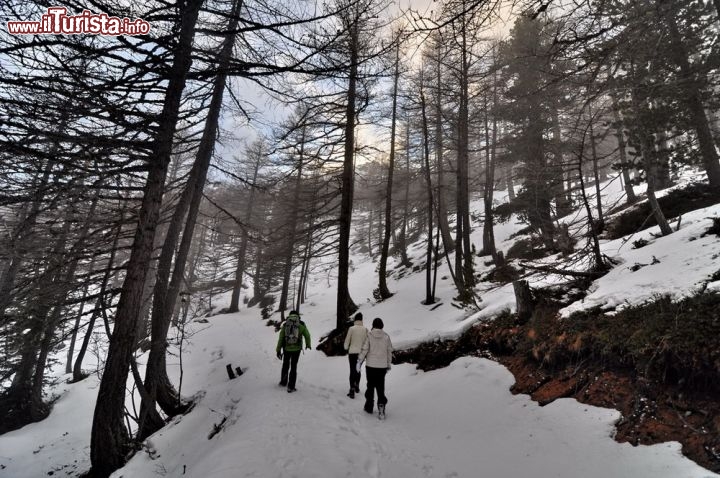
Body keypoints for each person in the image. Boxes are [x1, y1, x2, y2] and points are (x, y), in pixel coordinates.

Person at [358, 318, 393, 415]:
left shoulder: (369, 335)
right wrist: (388, 364)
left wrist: (359, 361)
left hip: (370, 366)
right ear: (382, 325)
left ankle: (369, 406)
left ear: (373, 325)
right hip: (382, 367)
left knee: (370, 386)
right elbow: (389, 351)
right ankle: (381, 405)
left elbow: (364, 349)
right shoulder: (386, 336)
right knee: (380, 387)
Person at [276, 310, 311, 393]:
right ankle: (291, 387)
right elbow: (307, 335)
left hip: (286, 349)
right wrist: (308, 344)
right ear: (297, 316)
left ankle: (283, 382)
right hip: (297, 349)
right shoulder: (301, 324)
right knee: (293, 366)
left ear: (289, 315)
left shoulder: (285, 324)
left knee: (285, 365)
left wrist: (278, 350)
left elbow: (281, 338)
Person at [343, 312, 368, 399]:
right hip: (361, 353)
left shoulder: (351, 328)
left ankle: (352, 389)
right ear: (361, 320)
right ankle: (357, 386)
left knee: (352, 370)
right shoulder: (365, 329)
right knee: (358, 369)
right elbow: (366, 342)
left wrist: (346, 347)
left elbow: (347, 340)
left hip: (352, 353)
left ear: (355, 319)